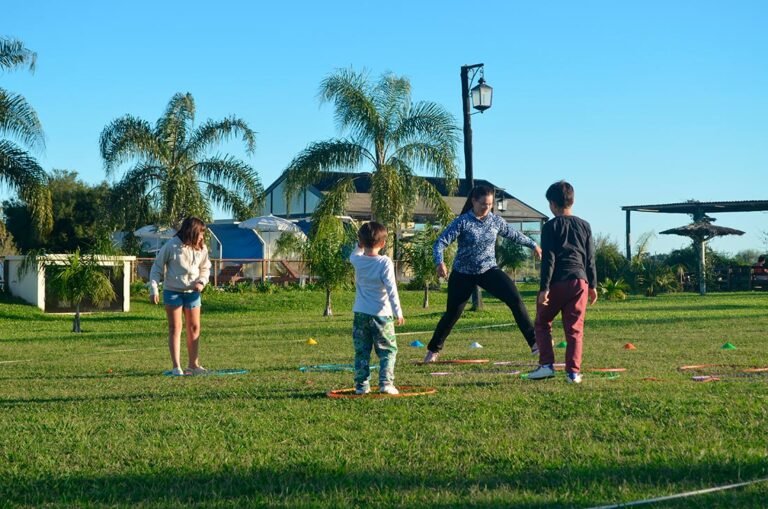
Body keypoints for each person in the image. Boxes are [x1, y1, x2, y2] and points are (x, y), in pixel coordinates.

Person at [424, 185, 542, 363]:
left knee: (515, 299)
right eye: (483, 204)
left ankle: (534, 343)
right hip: (463, 273)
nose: (486, 208)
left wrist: (533, 245)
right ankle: (433, 351)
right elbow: (440, 242)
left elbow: (514, 235)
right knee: (452, 314)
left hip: (488, 270)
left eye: (489, 204)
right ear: (473, 201)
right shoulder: (462, 221)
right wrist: (439, 262)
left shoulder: (495, 221)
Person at [527, 181, 597, 384]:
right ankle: (573, 373)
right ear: (572, 200)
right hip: (580, 282)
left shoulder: (550, 226)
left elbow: (549, 258)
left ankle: (547, 365)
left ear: (552, 204)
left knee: (542, 322)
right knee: (574, 329)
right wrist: (593, 285)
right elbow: (590, 258)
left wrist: (544, 288)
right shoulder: (585, 225)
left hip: (558, 281)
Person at [149, 217, 212, 376]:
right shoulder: (171, 246)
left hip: (193, 294)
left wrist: (202, 282)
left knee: (194, 327)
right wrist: (154, 289)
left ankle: (193, 365)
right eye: (200, 233)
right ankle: (176, 366)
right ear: (191, 231)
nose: (202, 237)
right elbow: (156, 268)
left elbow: (205, 268)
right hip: (173, 293)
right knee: (175, 327)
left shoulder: (201, 248)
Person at [349, 221, 404, 395]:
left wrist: (360, 244)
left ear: (361, 242)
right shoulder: (384, 262)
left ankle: (361, 386)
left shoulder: (357, 260)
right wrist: (398, 311)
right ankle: (386, 383)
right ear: (383, 243)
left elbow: (354, 252)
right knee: (388, 350)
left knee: (362, 351)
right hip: (382, 315)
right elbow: (391, 288)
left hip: (360, 314)